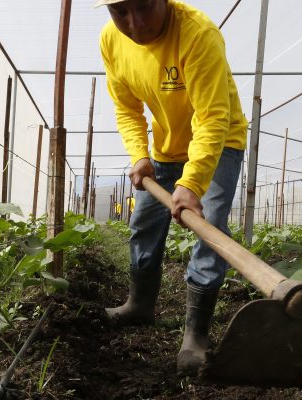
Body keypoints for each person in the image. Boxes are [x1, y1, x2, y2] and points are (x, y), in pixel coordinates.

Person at [96, 0, 248, 376]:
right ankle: (139, 305)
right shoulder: (111, 40)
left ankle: (196, 336)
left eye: (143, 7)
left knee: (209, 228)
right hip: (166, 149)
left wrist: (192, 182)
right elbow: (127, 108)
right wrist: (139, 155)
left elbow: (212, 116)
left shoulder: (197, 34)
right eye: (119, 11)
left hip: (219, 143)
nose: (134, 24)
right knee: (144, 224)